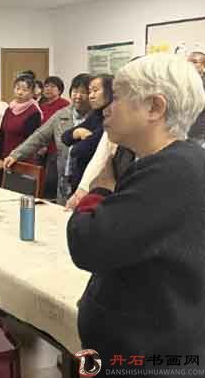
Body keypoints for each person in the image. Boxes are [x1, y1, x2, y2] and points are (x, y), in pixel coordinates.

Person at [67, 54, 205, 370]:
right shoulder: (167, 163)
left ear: (154, 107)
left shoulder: (171, 173)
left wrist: (100, 192)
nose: (106, 108)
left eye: (118, 97)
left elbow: (87, 244)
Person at [3, 74, 92, 204]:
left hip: (88, 183)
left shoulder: (98, 117)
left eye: (83, 92)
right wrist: (16, 155)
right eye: (75, 91)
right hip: (64, 181)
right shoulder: (62, 115)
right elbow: (39, 136)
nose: (78, 96)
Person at [61, 74, 113, 193]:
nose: (91, 96)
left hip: (97, 184)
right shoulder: (96, 114)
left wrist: (85, 139)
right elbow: (65, 137)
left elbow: (80, 150)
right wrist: (78, 132)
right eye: (90, 92)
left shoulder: (111, 118)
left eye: (95, 91)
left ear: (110, 91)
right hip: (79, 181)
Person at [0, 76, 42, 183]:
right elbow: (2, 134)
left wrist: (16, 157)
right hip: (5, 159)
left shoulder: (34, 112)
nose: (20, 92)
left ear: (32, 93)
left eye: (25, 90)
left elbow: (31, 141)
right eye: (17, 88)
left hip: (23, 162)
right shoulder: (9, 109)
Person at [38, 76, 70, 199]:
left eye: (52, 86)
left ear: (60, 90)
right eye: (46, 86)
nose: (48, 89)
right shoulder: (42, 106)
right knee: (41, 180)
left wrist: (46, 145)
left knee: (51, 181)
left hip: (56, 149)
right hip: (41, 149)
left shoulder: (64, 105)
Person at [187, 51, 205, 145]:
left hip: (199, 130)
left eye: (194, 62)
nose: (190, 65)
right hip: (183, 128)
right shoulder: (183, 80)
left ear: (203, 65)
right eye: (188, 61)